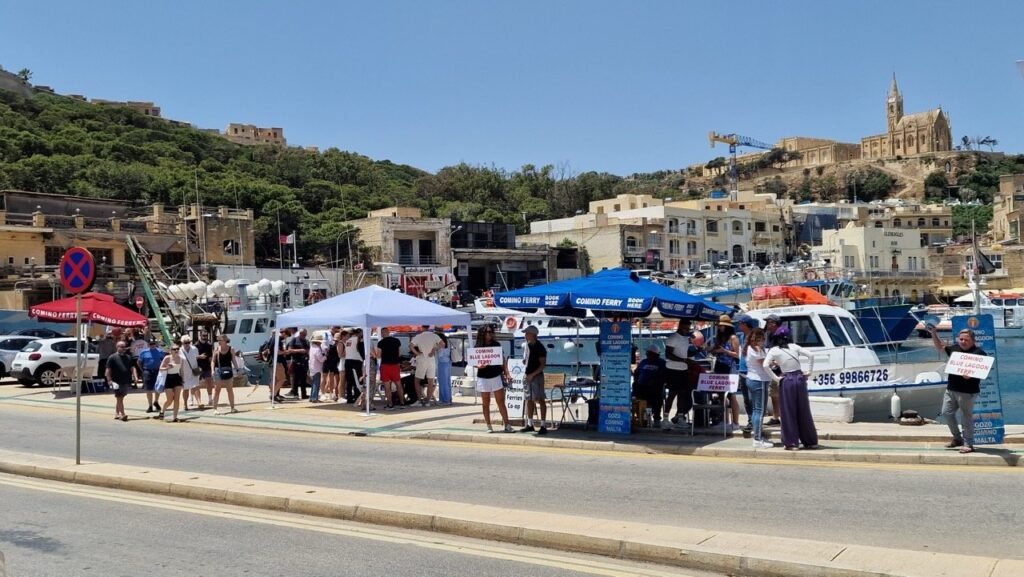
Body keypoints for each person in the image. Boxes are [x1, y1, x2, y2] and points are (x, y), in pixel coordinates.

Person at [930, 327, 986, 454]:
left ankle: (968, 443)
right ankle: (957, 438)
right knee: (946, 413)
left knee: (966, 417)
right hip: (951, 389)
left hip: (967, 392)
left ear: (973, 340)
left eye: (966, 340)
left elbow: (982, 372)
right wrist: (934, 333)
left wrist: (971, 375)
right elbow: (940, 346)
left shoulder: (979, 353)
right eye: (961, 339)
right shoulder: (954, 349)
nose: (962, 342)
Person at [764, 326, 817, 450]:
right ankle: (810, 441)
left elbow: (765, 365)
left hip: (787, 379)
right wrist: (809, 371)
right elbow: (811, 355)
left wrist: (776, 378)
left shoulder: (774, 350)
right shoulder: (795, 347)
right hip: (799, 378)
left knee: (788, 412)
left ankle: (791, 443)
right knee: (803, 410)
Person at [474, 326, 513, 432]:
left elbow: (502, 360)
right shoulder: (478, 346)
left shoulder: (496, 345)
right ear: (482, 333)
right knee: (485, 403)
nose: (490, 334)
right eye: (487, 332)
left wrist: (507, 373)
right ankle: (488, 425)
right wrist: (479, 366)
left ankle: (507, 425)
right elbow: (473, 361)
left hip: (496, 375)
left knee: (500, 401)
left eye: (491, 332)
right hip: (483, 377)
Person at [708, 314, 742, 430]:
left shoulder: (733, 338)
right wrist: (713, 351)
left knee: (732, 395)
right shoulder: (719, 338)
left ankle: (736, 422)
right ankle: (724, 420)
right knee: (721, 395)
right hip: (719, 366)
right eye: (719, 326)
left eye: (722, 326)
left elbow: (737, 355)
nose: (720, 328)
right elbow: (715, 352)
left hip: (729, 367)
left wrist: (724, 351)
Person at [744, 328, 774, 448]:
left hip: (753, 379)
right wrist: (774, 362)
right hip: (759, 380)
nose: (763, 341)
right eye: (762, 339)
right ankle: (757, 438)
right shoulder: (756, 350)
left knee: (757, 410)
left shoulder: (749, 348)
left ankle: (758, 436)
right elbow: (764, 363)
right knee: (759, 410)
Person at [519, 325, 548, 435]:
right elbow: (526, 359)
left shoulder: (539, 347)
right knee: (528, 399)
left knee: (540, 399)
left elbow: (543, 364)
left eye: (527, 333)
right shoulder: (527, 345)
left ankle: (543, 425)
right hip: (527, 374)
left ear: (533, 334)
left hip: (537, 376)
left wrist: (533, 374)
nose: (525, 335)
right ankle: (530, 424)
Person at [663, 319, 691, 426]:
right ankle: (665, 418)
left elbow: (684, 353)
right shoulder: (673, 338)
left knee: (682, 394)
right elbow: (668, 354)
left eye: (688, 328)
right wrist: (683, 360)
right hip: (672, 369)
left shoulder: (686, 339)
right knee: (672, 394)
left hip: (683, 369)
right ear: (680, 326)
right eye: (685, 328)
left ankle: (679, 417)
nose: (687, 330)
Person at [634, 344, 668, 429]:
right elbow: (637, 372)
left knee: (657, 399)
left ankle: (656, 419)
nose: (647, 354)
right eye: (647, 353)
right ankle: (641, 418)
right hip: (642, 386)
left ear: (654, 354)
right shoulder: (643, 362)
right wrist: (637, 381)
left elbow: (664, 376)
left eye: (648, 353)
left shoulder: (661, 363)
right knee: (637, 395)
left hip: (655, 387)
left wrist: (655, 381)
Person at [734, 314, 758, 433]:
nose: (739, 325)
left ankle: (755, 421)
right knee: (746, 398)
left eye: (740, 323)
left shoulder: (753, 336)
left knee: (752, 397)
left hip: (751, 371)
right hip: (742, 370)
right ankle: (750, 419)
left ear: (745, 324)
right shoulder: (742, 336)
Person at [105, 340, 138, 422]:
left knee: (120, 398)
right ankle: (122, 414)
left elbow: (132, 367)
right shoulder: (112, 357)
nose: (124, 348)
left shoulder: (128, 357)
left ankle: (117, 413)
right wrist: (109, 380)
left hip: (125, 380)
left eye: (124, 347)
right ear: (117, 347)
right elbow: (108, 370)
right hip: (116, 381)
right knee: (119, 397)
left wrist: (135, 376)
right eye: (122, 347)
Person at [410, 325, 442, 406]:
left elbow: (411, 346)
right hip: (431, 359)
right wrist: (434, 349)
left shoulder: (418, 336)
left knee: (417, 380)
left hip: (422, 358)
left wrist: (417, 353)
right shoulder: (434, 336)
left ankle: (419, 400)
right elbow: (442, 344)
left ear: (422, 327)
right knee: (430, 381)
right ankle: (427, 401)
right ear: (429, 327)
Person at [376, 327, 405, 410]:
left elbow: (378, 355)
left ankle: (390, 404)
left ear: (383, 333)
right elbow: (399, 354)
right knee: (398, 385)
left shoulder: (381, 343)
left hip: (385, 365)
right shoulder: (397, 341)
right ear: (388, 332)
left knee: (387, 386)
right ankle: (402, 402)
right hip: (395, 365)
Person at [762, 314, 782, 425]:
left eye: (769, 322)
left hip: (781, 369)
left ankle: (783, 417)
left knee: (780, 394)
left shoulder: (782, 335)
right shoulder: (769, 335)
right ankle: (776, 417)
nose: (767, 325)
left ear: (774, 323)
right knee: (774, 394)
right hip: (772, 369)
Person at [212, 335, 238, 415]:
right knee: (217, 390)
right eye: (218, 340)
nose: (219, 342)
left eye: (221, 340)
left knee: (230, 389)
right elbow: (213, 361)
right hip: (218, 370)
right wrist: (212, 370)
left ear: (225, 340)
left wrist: (237, 369)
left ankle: (232, 407)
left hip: (228, 370)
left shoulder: (231, 349)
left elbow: (233, 359)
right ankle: (215, 408)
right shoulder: (216, 349)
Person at [138, 338, 165, 414]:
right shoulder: (144, 352)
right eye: (150, 344)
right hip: (147, 371)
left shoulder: (160, 351)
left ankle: (156, 401)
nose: (152, 345)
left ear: (155, 344)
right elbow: (139, 362)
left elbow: (163, 360)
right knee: (149, 389)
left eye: (153, 344)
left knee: (157, 387)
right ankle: (150, 406)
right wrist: (143, 370)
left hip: (157, 371)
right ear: (148, 344)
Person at [285, 328, 310, 399]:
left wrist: (307, 352)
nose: (304, 336)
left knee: (303, 379)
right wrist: (300, 350)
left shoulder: (306, 341)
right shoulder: (294, 340)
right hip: (296, 361)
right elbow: (289, 350)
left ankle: (304, 394)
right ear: (300, 333)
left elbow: (308, 350)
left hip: (304, 362)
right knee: (295, 379)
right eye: (303, 334)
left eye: (305, 334)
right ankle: (295, 393)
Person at [178, 335, 201, 410]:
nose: (187, 344)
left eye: (188, 342)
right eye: (185, 343)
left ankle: (199, 402)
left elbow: (196, 358)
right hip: (184, 372)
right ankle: (185, 404)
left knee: (196, 386)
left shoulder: (194, 349)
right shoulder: (179, 350)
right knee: (186, 389)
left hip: (194, 370)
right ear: (182, 343)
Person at [343, 329, 365, 404]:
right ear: (359, 333)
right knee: (357, 380)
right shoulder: (359, 340)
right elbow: (361, 350)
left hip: (348, 361)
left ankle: (349, 398)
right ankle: (357, 396)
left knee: (349, 381)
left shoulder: (348, 340)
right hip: (356, 361)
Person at [195, 331, 214, 407]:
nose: (205, 337)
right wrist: (199, 356)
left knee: (209, 383)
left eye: (206, 335)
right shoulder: (195, 345)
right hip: (197, 366)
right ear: (200, 335)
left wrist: (212, 366)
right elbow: (192, 357)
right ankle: (197, 400)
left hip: (207, 366)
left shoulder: (209, 345)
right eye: (203, 335)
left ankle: (210, 399)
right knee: (196, 384)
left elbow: (210, 357)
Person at [435, 328, 453, 404]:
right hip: (448, 362)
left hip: (442, 363)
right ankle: (448, 398)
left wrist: (436, 349)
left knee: (442, 382)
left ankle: (444, 399)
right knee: (447, 382)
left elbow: (440, 355)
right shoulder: (448, 342)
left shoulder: (441, 344)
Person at [308, 334, 327, 403]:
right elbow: (321, 359)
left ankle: (312, 397)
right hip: (317, 368)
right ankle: (314, 398)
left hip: (312, 367)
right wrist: (325, 356)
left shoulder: (312, 347)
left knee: (314, 383)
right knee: (316, 383)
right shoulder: (317, 349)